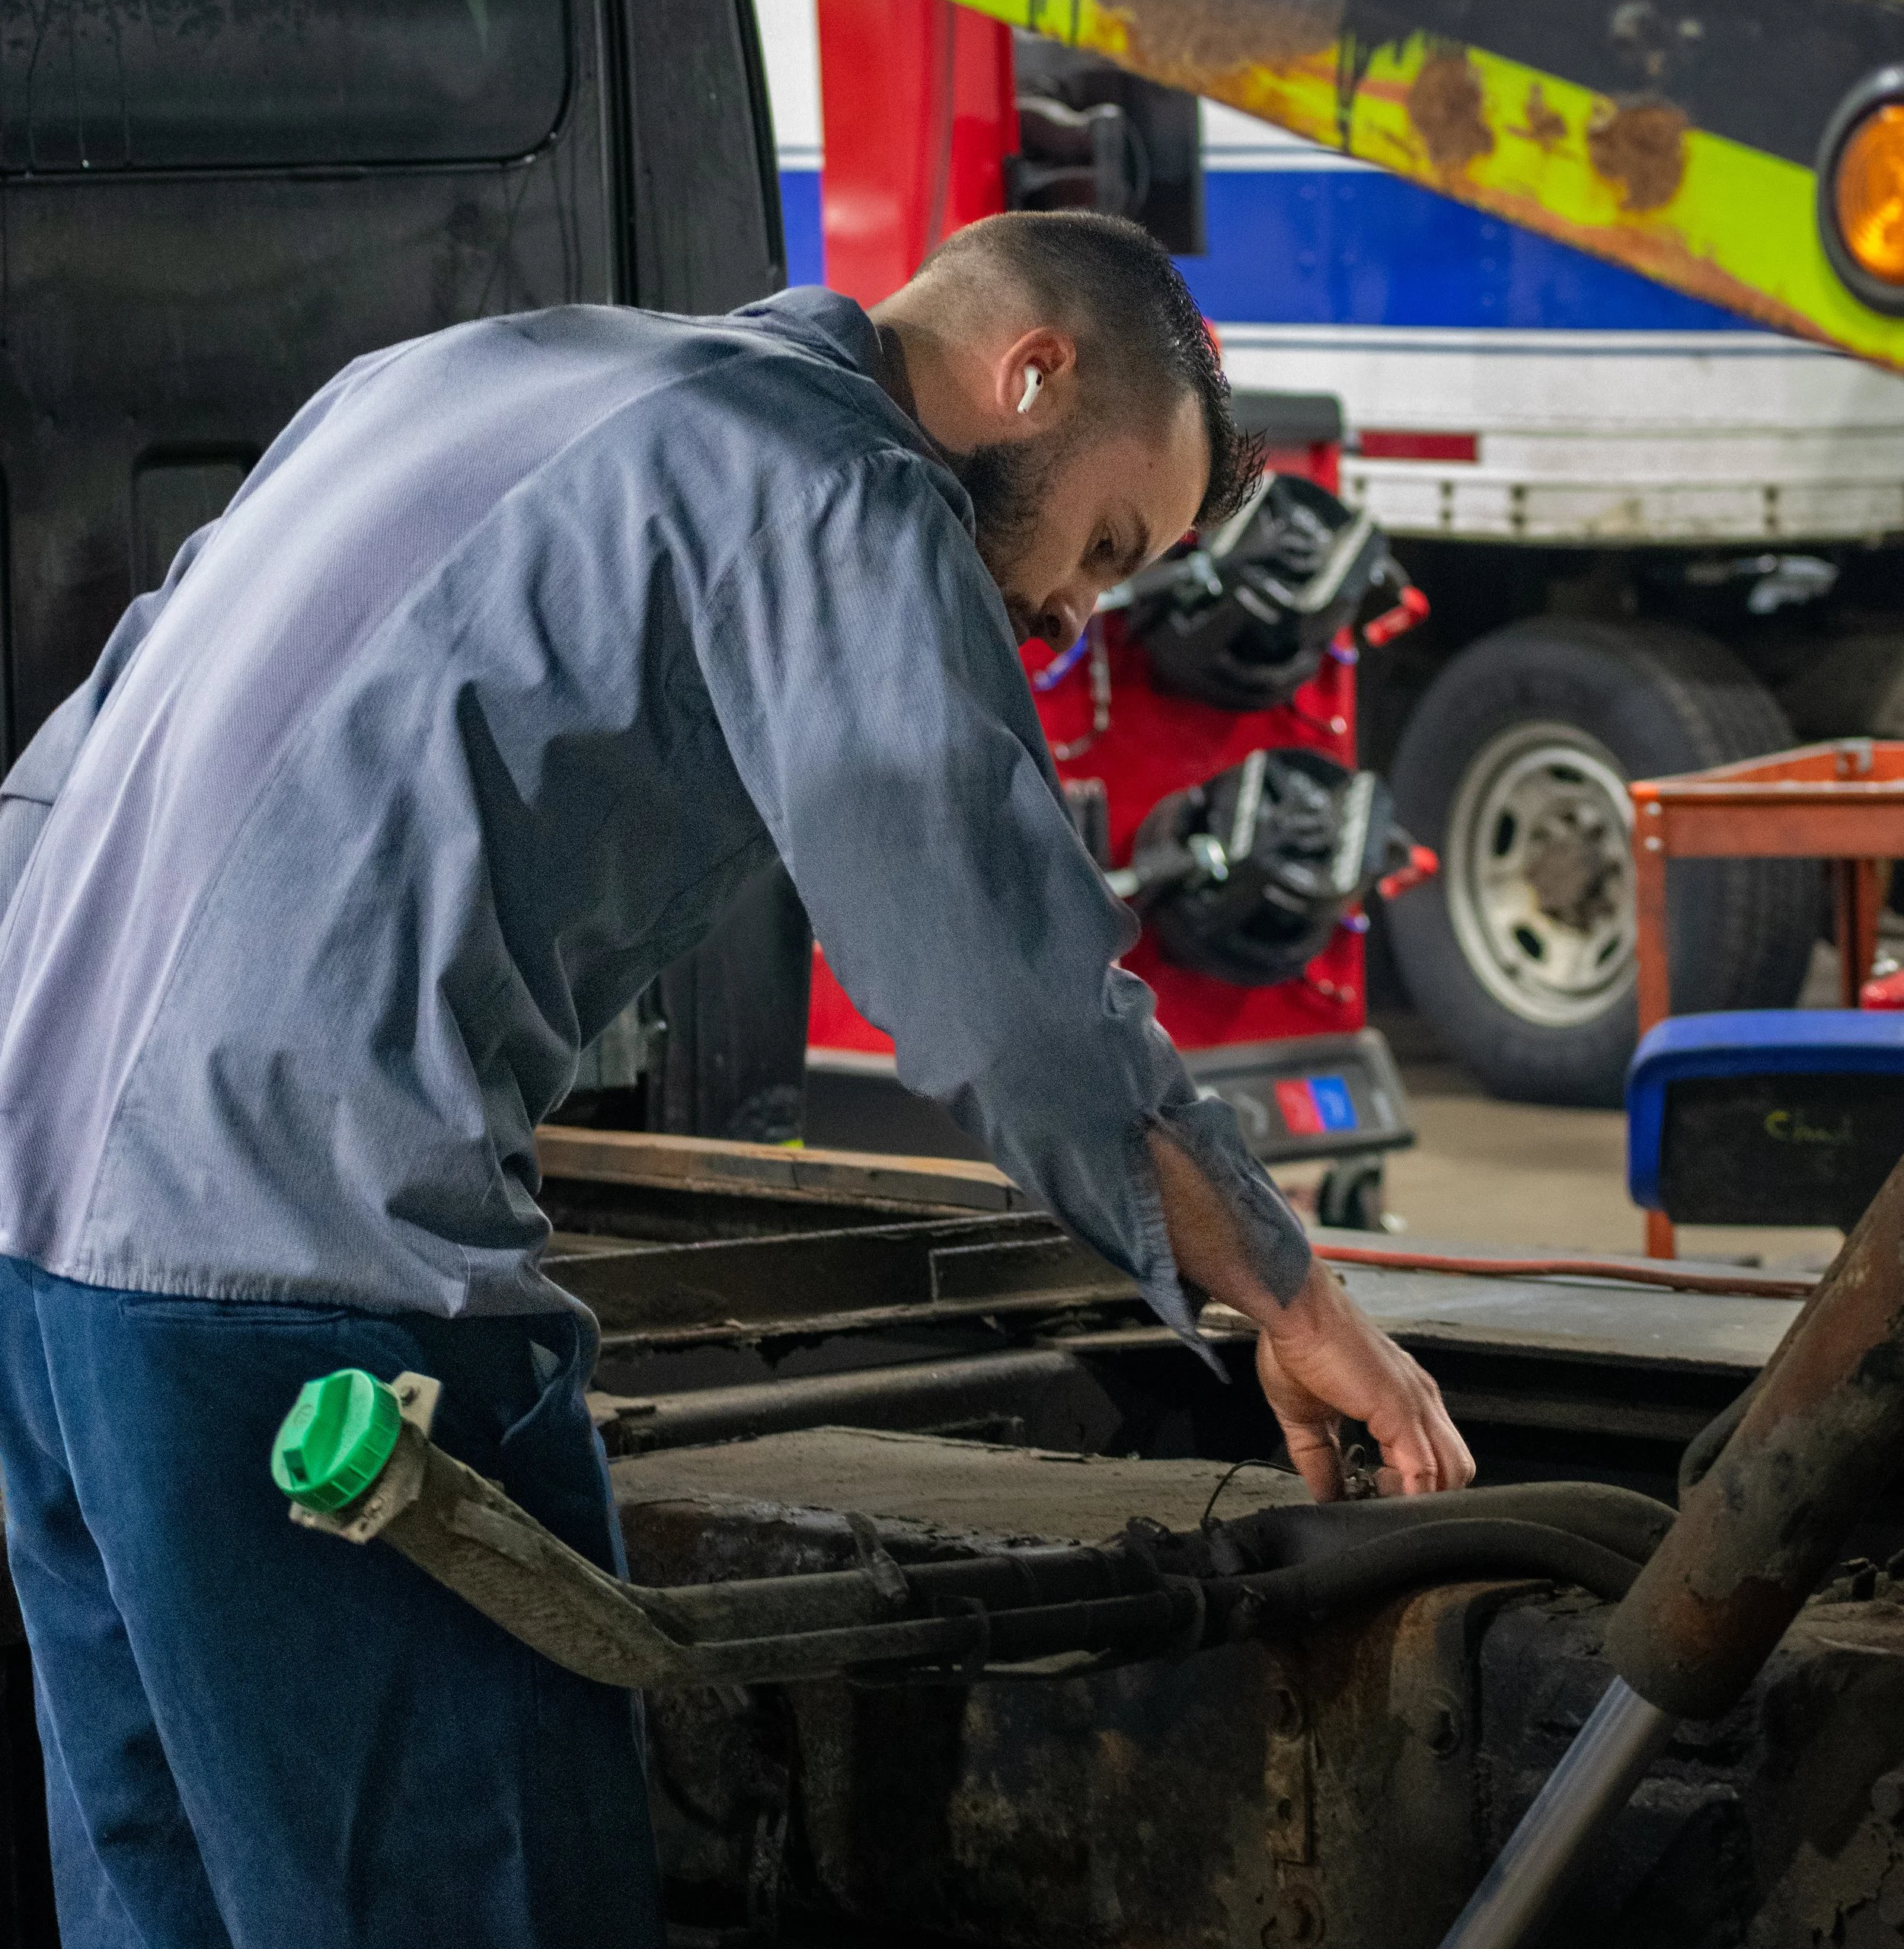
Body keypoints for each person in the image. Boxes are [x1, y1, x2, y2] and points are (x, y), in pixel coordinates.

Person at [0, 209, 1471, 1947]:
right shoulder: (827, 479)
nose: (1074, 605)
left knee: (156, 1891)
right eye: (1104, 537)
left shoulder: (457, 375)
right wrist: (1288, 1290)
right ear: (1032, 369)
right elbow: (1001, 999)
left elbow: (61, 770)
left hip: (40, 1265)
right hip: (299, 1298)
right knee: (474, 1900)